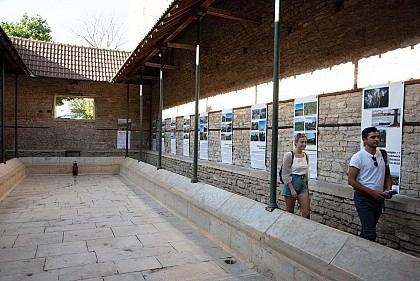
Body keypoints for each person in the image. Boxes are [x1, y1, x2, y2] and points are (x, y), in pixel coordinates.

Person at [348, 127, 393, 242]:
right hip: (364, 199)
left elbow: (387, 175)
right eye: (373, 137)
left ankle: (357, 251)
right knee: (370, 234)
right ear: (364, 140)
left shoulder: (383, 154)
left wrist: (388, 189)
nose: (376, 139)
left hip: (378, 199)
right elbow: (351, 180)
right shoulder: (358, 157)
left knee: (367, 231)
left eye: (378, 137)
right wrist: (371, 192)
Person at [281, 133, 310, 219]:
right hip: (291, 183)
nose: (304, 144)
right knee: (290, 211)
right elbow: (285, 174)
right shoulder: (289, 155)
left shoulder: (306, 156)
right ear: (296, 142)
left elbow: (306, 172)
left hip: (302, 184)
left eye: (305, 142)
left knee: (306, 213)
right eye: (302, 142)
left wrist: (307, 189)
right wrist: (292, 190)